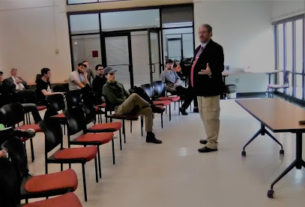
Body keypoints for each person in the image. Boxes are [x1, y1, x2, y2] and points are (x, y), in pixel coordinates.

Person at [103, 67, 162, 144]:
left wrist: (129, 100)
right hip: (119, 109)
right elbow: (114, 100)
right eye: (111, 74)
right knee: (134, 95)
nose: (113, 75)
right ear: (106, 76)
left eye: (114, 73)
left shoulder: (119, 84)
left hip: (128, 106)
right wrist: (127, 101)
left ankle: (149, 135)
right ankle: (152, 106)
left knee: (148, 110)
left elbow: (127, 94)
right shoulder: (106, 87)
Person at [191, 24, 224, 153]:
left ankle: (212, 143)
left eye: (204, 32)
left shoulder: (216, 48)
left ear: (210, 33)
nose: (201, 34)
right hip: (199, 89)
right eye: (199, 32)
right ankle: (210, 136)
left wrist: (210, 71)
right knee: (204, 115)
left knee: (211, 116)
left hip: (210, 89)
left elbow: (219, 67)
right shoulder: (198, 48)